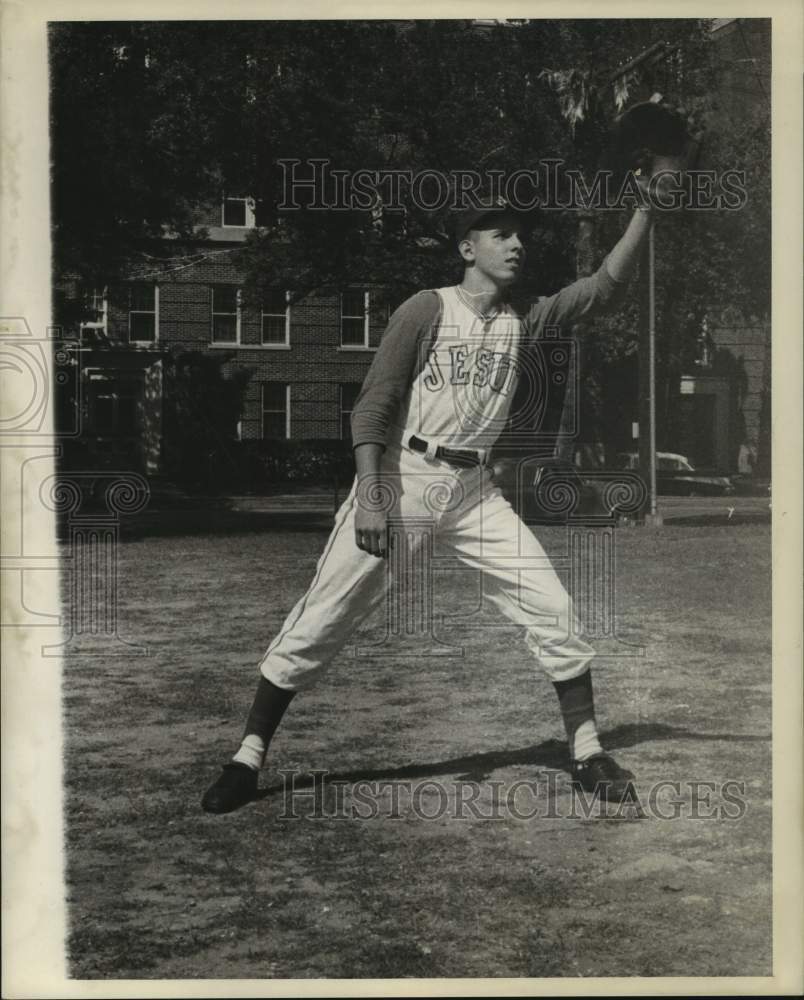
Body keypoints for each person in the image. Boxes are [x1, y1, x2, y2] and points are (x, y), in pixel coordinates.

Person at [201, 192, 657, 814]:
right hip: (405, 475)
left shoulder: (529, 317)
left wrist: (646, 211)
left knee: (551, 605)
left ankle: (586, 750)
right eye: (500, 234)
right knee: (324, 618)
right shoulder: (427, 308)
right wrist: (371, 495)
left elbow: (604, 287)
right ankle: (248, 757)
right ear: (467, 248)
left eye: (520, 235)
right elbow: (374, 406)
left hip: (474, 492)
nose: (517, 244)